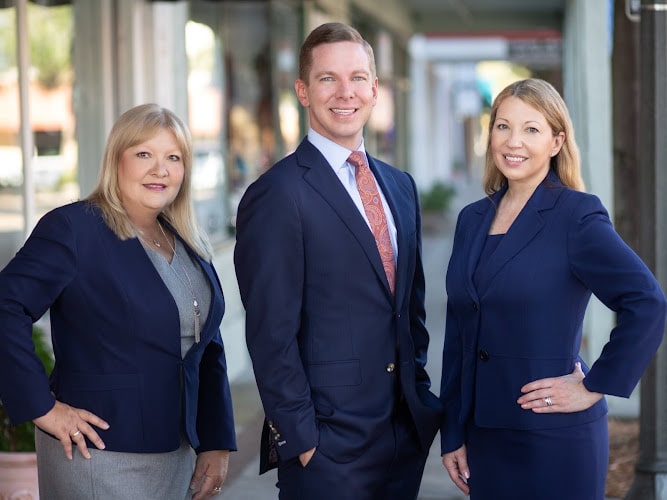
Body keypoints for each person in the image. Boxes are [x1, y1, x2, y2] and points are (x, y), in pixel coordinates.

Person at [233, 22, 443, 499]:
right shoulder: (277, 194)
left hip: (403, 439)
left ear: (374, 89)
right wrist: (305, 442)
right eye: (328, 78)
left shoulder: (400, 186)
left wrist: (419, 393)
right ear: (303, 91)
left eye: (357, 78)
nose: (345, 92)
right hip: (327, 450)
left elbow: (409, 310)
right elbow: (270, 334)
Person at [439, 78, 667, 499]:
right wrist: (452, 431)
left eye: (531, 129)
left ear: (556, 141)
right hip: (484, 439)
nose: (514, 141)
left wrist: (594, 385)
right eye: (503, 126)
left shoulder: (576, 216)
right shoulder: (472, 219)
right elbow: (459, 332)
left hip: (554, 438)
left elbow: (646, 302)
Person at [0, 103, 237, 499]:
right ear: (116, 160)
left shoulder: (186, 240)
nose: (160, 170)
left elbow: (206, 343)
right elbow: (6, 307)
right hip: (99, 454)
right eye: (144, 154)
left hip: (178, 453)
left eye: (173, 157)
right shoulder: (74, 229)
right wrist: (42, 408)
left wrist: (216, 441)